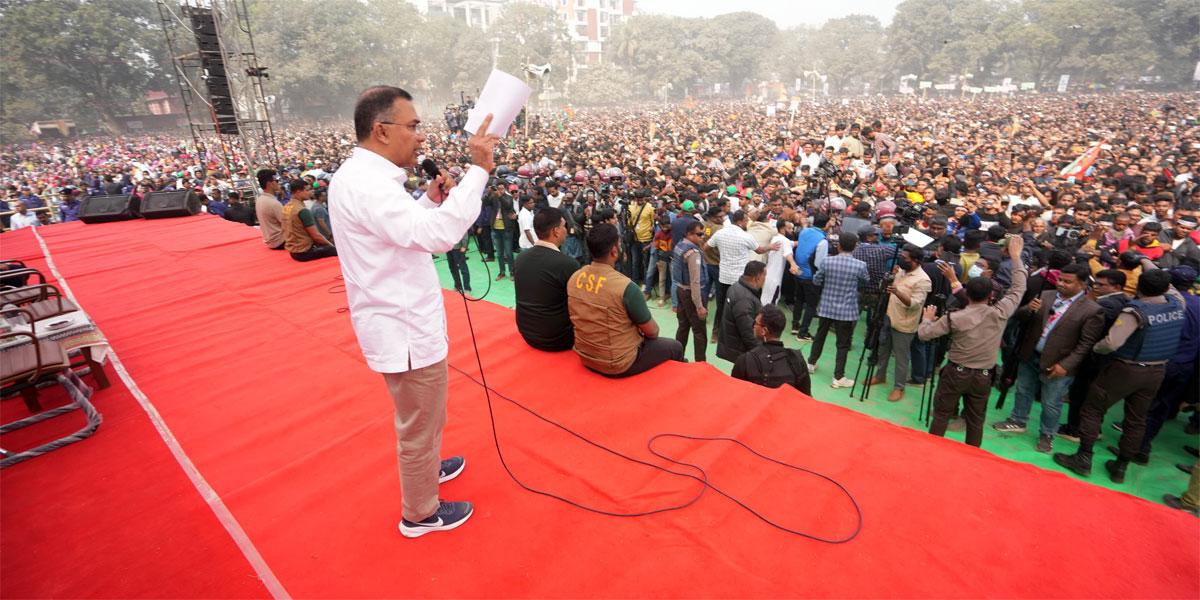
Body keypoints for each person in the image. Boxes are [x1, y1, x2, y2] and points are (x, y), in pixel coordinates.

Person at [328, 86, 499, 538]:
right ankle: (420, 513)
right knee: (418, 423)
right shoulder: (367, 186)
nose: (420, 137)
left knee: (426, 414)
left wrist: (425, 200)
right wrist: (479, 171)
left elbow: (400, 230)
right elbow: (436, 236)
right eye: (414, 126)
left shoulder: (365, 179)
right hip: (402, 326)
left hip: (399, 317)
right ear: (382, 131)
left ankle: (429, 468)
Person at [1053, 268, 1187, 483]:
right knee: (1136, 420)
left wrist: (1095, 348)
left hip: (1126, 368)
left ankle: (1083, 457)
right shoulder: (1176, 304)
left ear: (1138, 287)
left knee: (1092, 410)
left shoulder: (1134, 311)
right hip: (1156, 371)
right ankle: (1120, 467)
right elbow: (1169, 287)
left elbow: (1112, 343)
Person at [918, 235, 1027, 447]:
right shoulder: (1000, 312)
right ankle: (972, 458)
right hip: (983, 376)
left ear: (968, 294)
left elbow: (924, 334)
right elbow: (1018, 288)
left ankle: (929, 453)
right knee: (975, 422)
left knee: (941, 415)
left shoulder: (955, 317)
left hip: (955, 373)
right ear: (991, 296)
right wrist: (1016, 257)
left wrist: (926, 320)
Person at [991, 263, 1104, 453]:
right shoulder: (1046, 295)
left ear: (1083, 284)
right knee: (1023, 390)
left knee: (1052, 402)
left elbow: (1085, 344)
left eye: (1068, 282)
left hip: (1058, 364)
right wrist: (1029, 309)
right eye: (1060, 279)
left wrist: (1066, 365)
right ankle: (1018, 420)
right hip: (1030, 355)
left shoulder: (1091, 310)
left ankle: (1047, 434)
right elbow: (1020, 318)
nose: (1061, 284)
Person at [567, 223, 684, 378]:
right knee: (675, 346)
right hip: (617, 363)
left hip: (585, 356)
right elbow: (653, 332)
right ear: (614, 251)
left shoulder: (574, 278)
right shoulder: (626, 287)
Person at [868, 244, 932, 401]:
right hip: (889, 317)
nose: (901, 259)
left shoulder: (923, 280)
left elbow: (915, 304)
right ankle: (880, 375)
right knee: (883, 349)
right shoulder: (900, 272)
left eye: (905, 258)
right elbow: (887, 290)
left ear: (916, 261)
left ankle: (899, 387)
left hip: (904, 323)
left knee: (901, 357)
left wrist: (897, 292)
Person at [513, 207, 580, 352]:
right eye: (564, 226)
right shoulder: (567, 264)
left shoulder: (520, 258)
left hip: (527, 332)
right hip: (557, 338)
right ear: (556, 231)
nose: (566, 230)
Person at [808, 232, 869, 389]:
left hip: (826, 307)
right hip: (847, 311)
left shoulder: (827, 262)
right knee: (843, 344)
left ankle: (811, 363)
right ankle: (838, 377)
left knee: (819, 337)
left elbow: (817, 280)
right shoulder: (860, 265)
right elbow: (865, 282)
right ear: (855, 247)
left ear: (839, 245)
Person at [705, 210, 778, 340]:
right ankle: (738, 335)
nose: (747, 223)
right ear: (740, 221)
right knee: (741, 309)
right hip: (739, 280)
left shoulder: (720, 233)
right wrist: (770, 247)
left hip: (723, 276)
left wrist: (717, 257)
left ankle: (716, 333)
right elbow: (760, 250)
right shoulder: (746, 236)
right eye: (745, 220)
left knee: (721, 306)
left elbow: (706, 247)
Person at [731, 304, 812, 395]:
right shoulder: (797, 360)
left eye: (755, 323)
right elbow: (806, 398)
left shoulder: (744, 361)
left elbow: (735, 396)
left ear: (764, 331)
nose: (753, 326)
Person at [716, 261, 767, 363]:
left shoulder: (736, 286)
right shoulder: (744, 299)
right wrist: (762, 353)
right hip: (740, 349)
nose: (765, 279)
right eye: (764, 275)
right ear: (756, 277)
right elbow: (748, 331)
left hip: (733, 345)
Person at [673, 219, 708, 362]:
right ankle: (700, 365)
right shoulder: (693, 253)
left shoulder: (679, 246)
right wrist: (699, 306)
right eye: (699, 235)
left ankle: (676, 358)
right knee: (699, 332)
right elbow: (695, 281)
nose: (702, 237)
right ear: (689, 234)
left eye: (703, 234)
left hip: (680, 290)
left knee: (683, 327)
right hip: (691, 294)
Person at [792, 214, 830, 340]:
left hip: (798, 272)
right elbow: (819, 263)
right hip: (810, 276)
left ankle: (795, 325)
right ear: (826, 224)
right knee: (811, 305)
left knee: (799, 299)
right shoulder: (823, 240)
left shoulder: (804, 231)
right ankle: (803, 333)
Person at [280, 179, 337, 262]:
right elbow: (316, 236)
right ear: (298, 192)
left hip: (293, 251)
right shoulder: (302, 210)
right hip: (304, 252)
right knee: (336, 250)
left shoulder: (286, 207)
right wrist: (332, 246)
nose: (310, 192)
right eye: (307, 190)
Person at [761, 218, 799, 305]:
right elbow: (788, 254)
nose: (792, 231)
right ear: (782, 229)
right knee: (770, 306)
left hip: (767, 276)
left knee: (765, 301)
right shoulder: (784, 241)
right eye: (789, 228)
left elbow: (793, 243)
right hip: (774, 280)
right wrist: (793, 265)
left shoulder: (776, 238)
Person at [255, 168, 285, 250]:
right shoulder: (273, 203)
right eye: (276, 181)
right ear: (270, 183)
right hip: (280, 241)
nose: (278, 183)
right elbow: (288, 224)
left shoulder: (260, 199)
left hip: (270, 240)